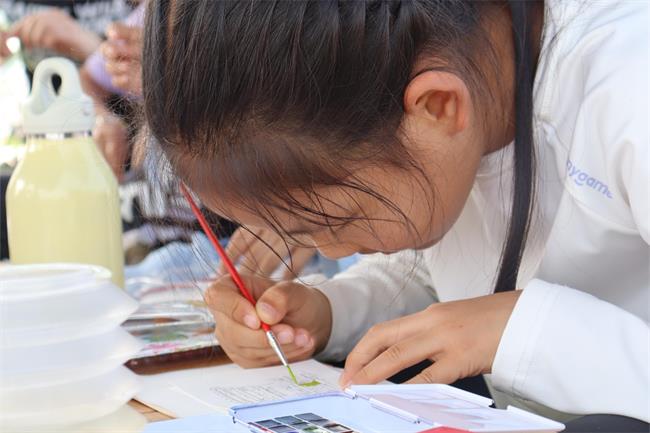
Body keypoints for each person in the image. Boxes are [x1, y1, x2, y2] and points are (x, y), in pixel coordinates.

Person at [141, 0, 649, 423]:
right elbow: (454, 277)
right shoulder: (472, 79)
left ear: (438, 106)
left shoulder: (630, 85)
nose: (327, 251)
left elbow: (491, 308)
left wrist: (516, 330)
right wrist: (328, 312)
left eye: (336, 221)